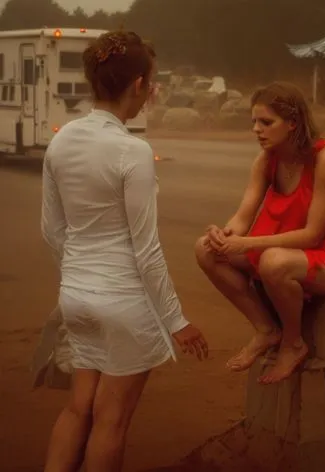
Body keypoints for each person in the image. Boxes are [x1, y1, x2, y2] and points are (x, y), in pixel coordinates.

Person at [41, 31, 208, 472]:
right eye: (151, 83)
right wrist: (177, 320)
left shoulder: (60, 141)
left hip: (76, 298)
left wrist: (81, 277)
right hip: (123, 305)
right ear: (138, 85)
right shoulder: (132, 150)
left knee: (78, 409)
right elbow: (147, 250)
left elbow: (51, 229)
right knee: (111, 422)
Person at [195, 81, 325, 385]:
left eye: (266, 122)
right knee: (205, 249)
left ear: (292, 123)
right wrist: (223, 235)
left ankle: (293, 344)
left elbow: (312, 236)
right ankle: (266, 330)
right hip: (290, 253)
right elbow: (242, 216)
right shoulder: (267, 160)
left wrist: (246, 242)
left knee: (273, 262)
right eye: (253, 121)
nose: (256, 129)